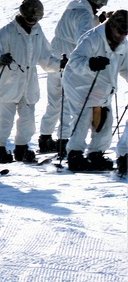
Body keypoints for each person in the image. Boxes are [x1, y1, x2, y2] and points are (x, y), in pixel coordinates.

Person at [0, 0, 61, 163]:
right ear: (22, 15)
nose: (33, 22)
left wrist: (60, 65)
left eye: (36, 19)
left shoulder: (37, 31)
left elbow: (45, 57)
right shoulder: (7, 31)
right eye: (30, 18)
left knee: (27, 120)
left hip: (29, 83)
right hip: (8, 81)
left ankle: (22, 148)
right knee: (4, 120)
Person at [38, 0, 108, 154]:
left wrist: (98, 21)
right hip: (71, 56)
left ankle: (45, 137)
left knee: (54, 100)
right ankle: (64, 140)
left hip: (55, 55)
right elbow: (84, 37)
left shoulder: (73, 8)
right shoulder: (84, 14)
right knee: (69, 100)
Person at [60, 9, 128, 171]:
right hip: (79, 84)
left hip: (102, 87)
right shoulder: (92, 38)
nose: (123, 35)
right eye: (121, 30)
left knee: (104, 119)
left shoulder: (123, 44)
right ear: (112, 26)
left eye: (127, 32)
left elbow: (125, 68)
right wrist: (91, 63)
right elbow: (75, 62)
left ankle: (96, 154)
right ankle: (74, 155)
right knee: (83, 117)